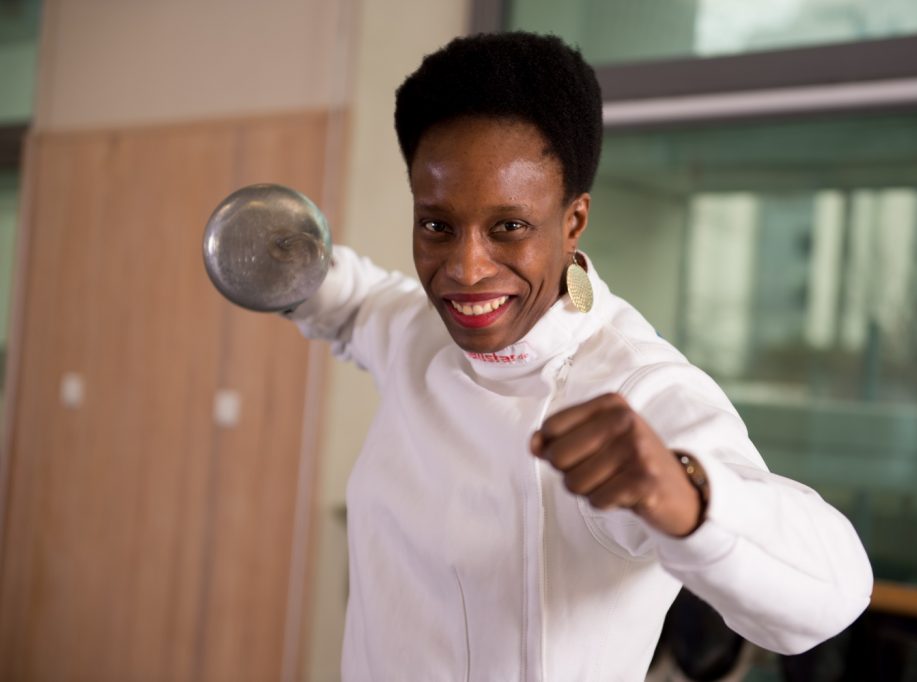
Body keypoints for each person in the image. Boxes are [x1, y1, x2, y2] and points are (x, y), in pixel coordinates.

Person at [285, 31, 872, 680]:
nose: (466, 267)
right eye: (436, 225)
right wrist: (281, 258)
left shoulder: (641, 388)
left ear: (572, 222)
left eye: (508, 227)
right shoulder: (419, 333)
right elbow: (354, 299)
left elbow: (835, 589)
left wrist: (688, 494)